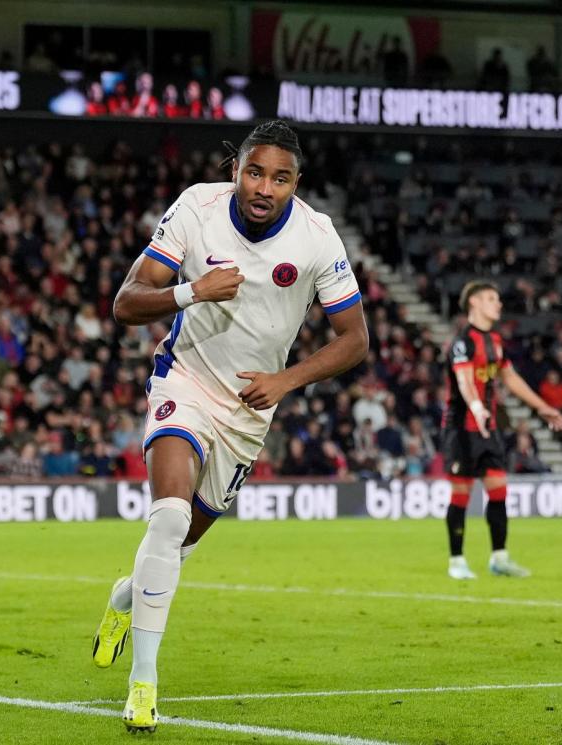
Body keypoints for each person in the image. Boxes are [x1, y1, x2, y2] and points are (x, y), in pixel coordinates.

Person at [92, 120, 369, 732]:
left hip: (250, 409)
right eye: (254, 171)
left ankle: (124, 596)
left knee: (180, 544)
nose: (264, 186)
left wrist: (287, 381)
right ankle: (143, 684)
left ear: (298, 183)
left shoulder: (318, 237)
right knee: (165, 518)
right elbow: (126, 303)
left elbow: (355, 340)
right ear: (234, 169)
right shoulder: (196, 209)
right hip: (184, 383)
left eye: (280, 177)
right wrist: (192, 291)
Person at [442, 280, 562, 581]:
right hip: (462, 429)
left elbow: (511, 379)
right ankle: (456, 560)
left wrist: (541, 407)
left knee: (499, 491)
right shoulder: (463, 342)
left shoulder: (495, 341)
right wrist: (477, 408)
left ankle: (500, 557)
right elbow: (465, 382)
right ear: (474, 303)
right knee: (461, 495)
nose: (498, 304)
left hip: (489, 429)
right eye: (491, 298)